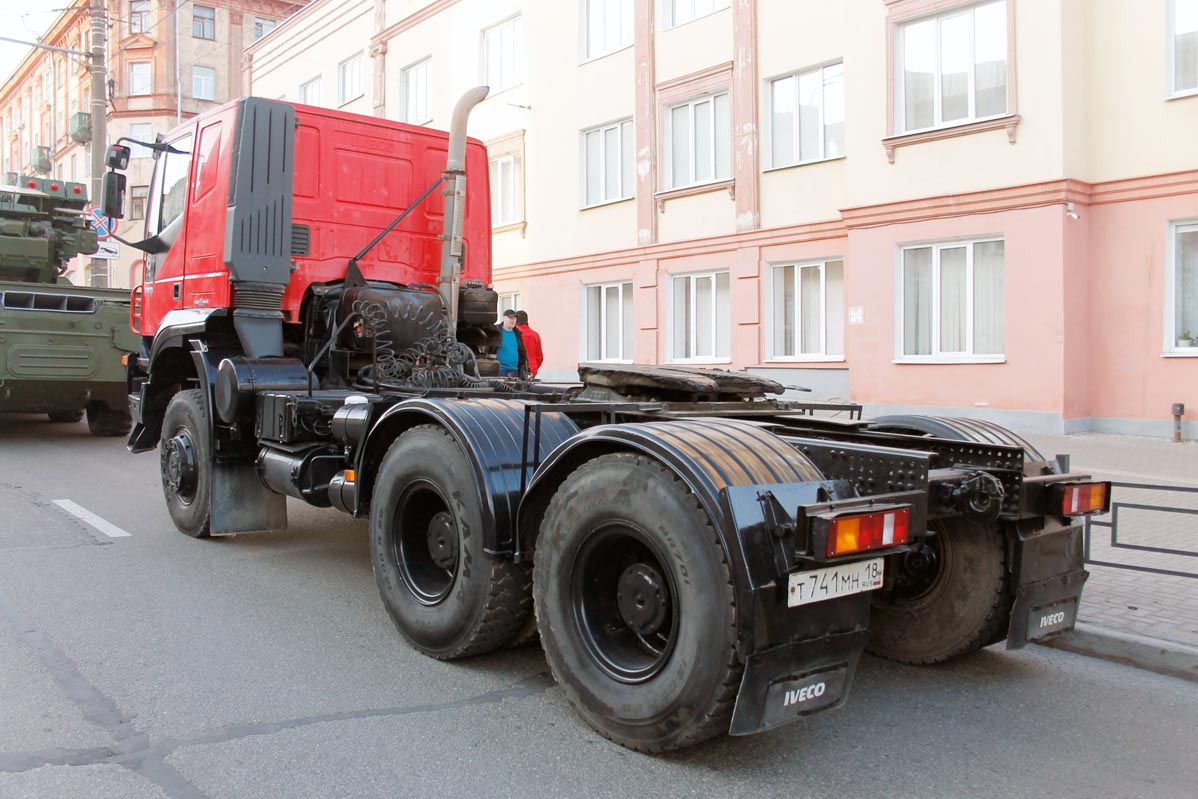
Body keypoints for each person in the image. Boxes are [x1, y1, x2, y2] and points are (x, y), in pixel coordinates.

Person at [495, 309, 528, 378]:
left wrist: (526, 369)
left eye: (514, 318)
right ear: (503, 318)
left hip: (515, 371)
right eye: (510, 318)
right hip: (500, 371)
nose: (513, 320)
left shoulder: (517, 333)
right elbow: (489, 351)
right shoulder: (496, 332)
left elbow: (522, 352)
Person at [515, 310, 543, 377]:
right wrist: (535, 367)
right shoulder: (535, 335)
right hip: (532, 369)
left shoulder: (514, 334)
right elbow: (539, 357)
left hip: (517, 368)